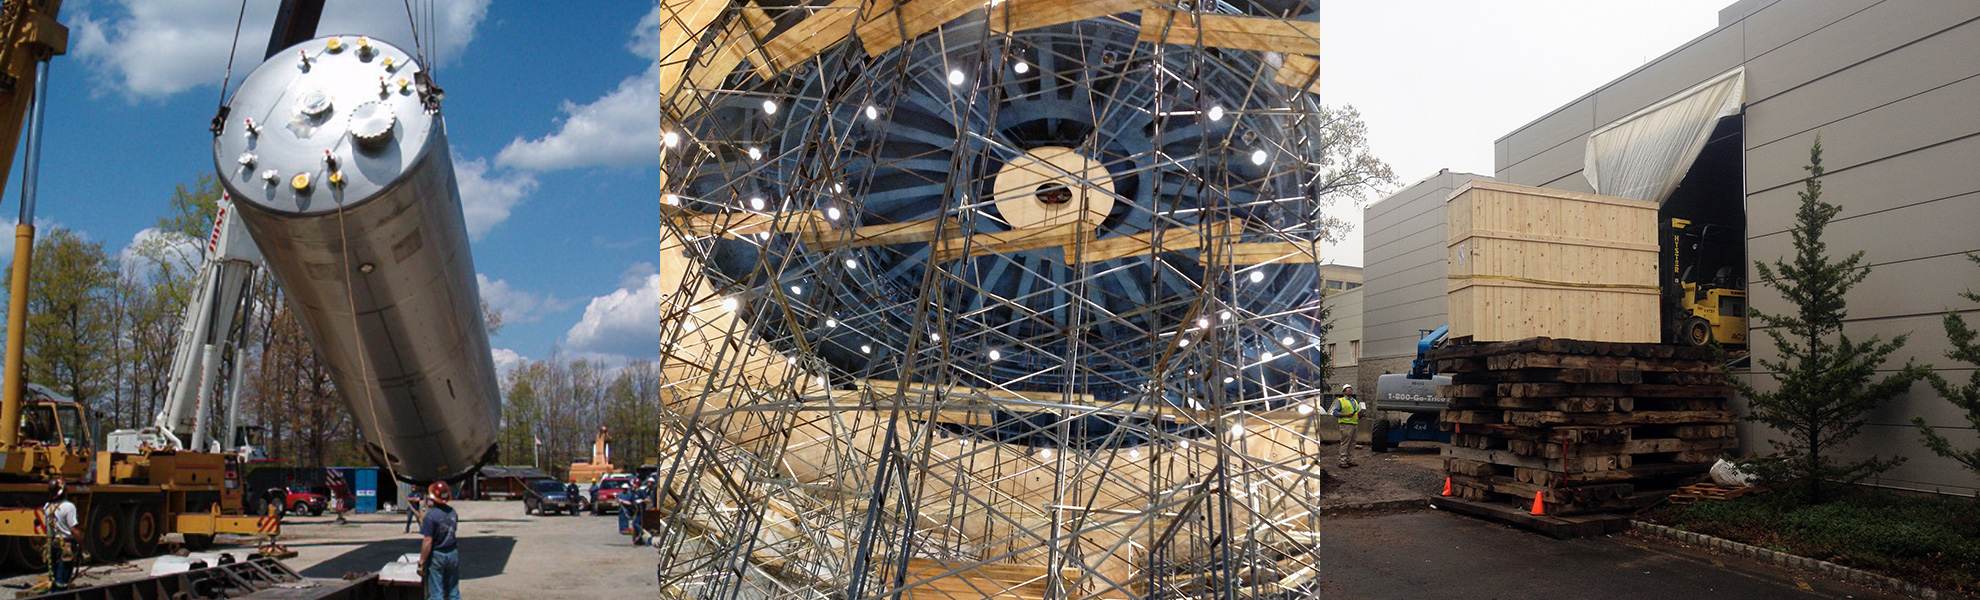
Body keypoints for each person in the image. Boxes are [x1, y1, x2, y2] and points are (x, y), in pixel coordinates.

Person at [419, 481, 461, 600]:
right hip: (452, 553)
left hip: (437, 554)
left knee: (436, 592)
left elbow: (428, 541)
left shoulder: (430, 516)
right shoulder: (453, 512)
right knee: (453, 591)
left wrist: (421, 561)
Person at [42, 481, 79, 590]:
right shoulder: (69, 507)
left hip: (52, 544)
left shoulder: (47, 507)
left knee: (54, 576)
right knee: (62, 579)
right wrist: (82, 545)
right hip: (66, 545)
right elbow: (74, 529)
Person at [1331, 384, 1362, 468]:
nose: (1350, 391)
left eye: (1351, 389)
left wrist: (1360, 414)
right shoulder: (1340, 401)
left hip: (1354, 424)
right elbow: (1335, 413)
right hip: (1346, 425)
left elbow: (1355, 413)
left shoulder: (1354, 401)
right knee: (1345, 443)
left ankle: (1350, 460)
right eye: (1348, 389)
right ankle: (1342, 461)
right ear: (1344, 391)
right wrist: (1346, 415)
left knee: (1352, 443)